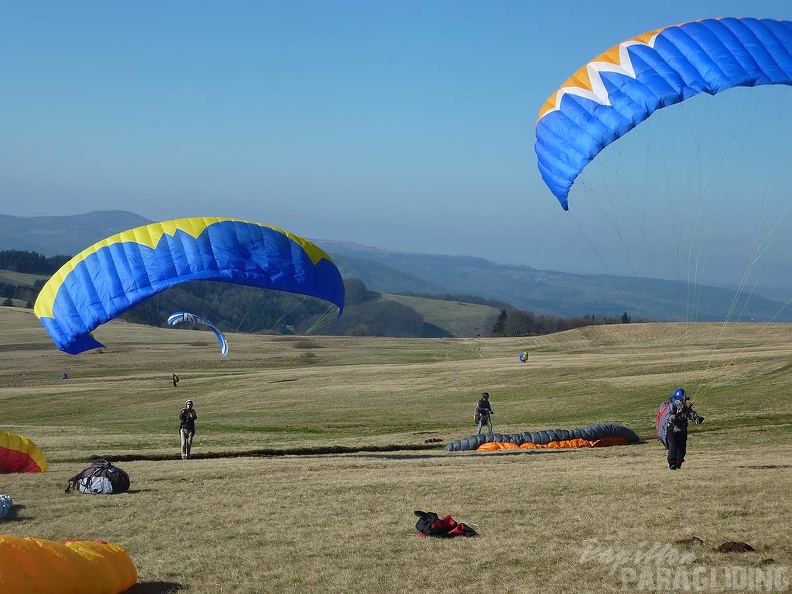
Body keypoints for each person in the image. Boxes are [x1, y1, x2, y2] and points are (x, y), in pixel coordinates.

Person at [663, 388, 704, 470]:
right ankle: (672, 464)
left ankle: (678, 463)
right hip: (672, 429)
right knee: (673, 447)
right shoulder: (673, 406)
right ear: (679, 399)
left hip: (682, 430)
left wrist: (697, 419)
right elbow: (668, 417)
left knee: (682, 450)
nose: (684, 401)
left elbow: (692, 414)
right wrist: (677, 415)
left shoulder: (686, 408)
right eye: (683, 400)